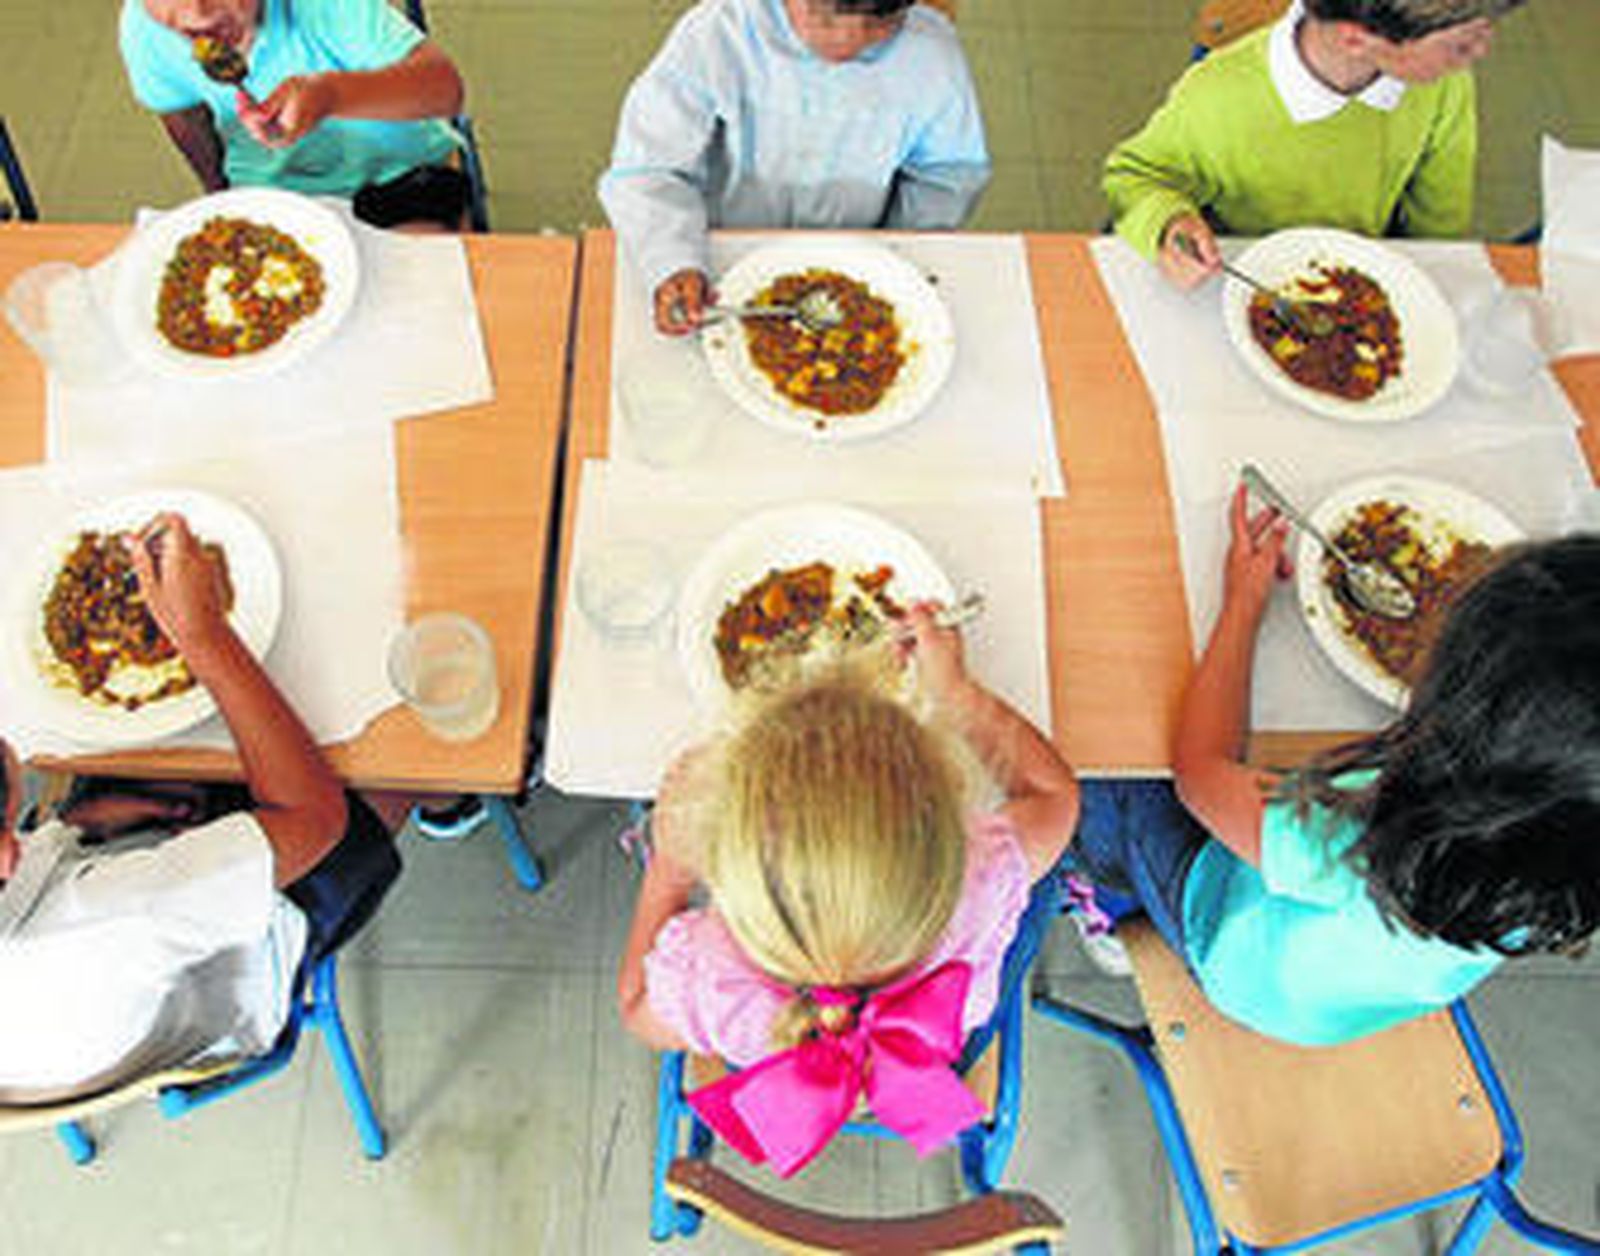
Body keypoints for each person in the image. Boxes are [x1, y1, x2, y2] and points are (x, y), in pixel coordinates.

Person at [1070, 485, 1600, 1046]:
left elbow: (1199, 771)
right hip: (1338, 1009)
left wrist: (1243, 607)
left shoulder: (1360, 838)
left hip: (1233, 962)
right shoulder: (1561, 857)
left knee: (1105, 765)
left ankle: (1110, 912)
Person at [617, 609, 1078, 1175]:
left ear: (725, 856)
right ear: (947, 815)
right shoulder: (980, 878)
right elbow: (1055, 796)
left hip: (775, 1070)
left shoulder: (709, 972)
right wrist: (957, 694)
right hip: (932, 1057)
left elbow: (637, 1007)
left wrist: (667, 868)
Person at [0, 514, 402, 1102]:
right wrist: (201, 632)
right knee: (397, 761)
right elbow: (315, 821)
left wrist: (73, 827)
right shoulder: (123, 912)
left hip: (78, 963)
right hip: (237, 970)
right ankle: (450, 803)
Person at [599, 0, 991, 336]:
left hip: (858, 257)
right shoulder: (717, 35)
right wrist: (673, 260)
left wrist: (898, 250)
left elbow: (948, 175)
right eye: (822, 14)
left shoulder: (934, 59)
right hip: (719, 255)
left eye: (878, 23)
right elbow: (647, 170)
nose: (845, 42)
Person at [1104, 0, 1527, 290]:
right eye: (1460, 43)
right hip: (1229, 281)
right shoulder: (1218, 97)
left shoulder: (1444, 87)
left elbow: (1439, 223)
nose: (1480, 51)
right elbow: (1134, 176)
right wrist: (1166, 223)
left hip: (1358, 278)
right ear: (1356, 39)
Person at [120, 0, 469, 230]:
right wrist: (217, 193)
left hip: (397, 178)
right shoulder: (145, 31)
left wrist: (332, 95)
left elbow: (445, 89)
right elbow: (183, 117)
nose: (197, 11)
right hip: (272, 193)